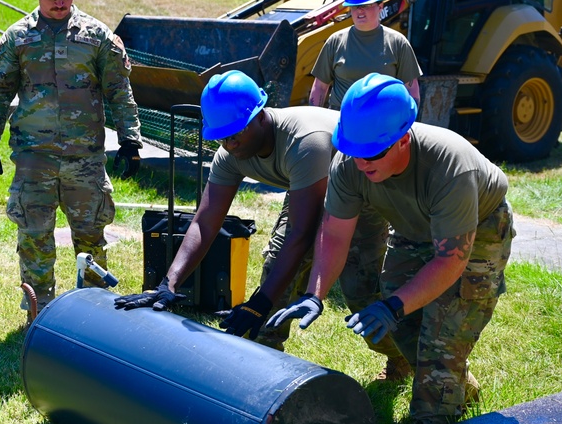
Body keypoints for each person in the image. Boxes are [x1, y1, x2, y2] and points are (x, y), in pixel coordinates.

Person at [267, 73, 515, 424]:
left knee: (444, 329)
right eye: (354, 150)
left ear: (404, 139)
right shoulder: (350, 164)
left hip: (479, 230)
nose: (363, 163)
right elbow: (334, 234)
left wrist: (395, 306)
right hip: (416, 228)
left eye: (374, 153)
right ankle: (453, 382)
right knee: (400, 317)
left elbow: (450, 260)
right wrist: (315, 293)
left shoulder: (451, 166)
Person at [112, 71, 410, 374]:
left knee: (360, 291)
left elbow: (302, 233)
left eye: (235, 134)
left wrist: (259, 302)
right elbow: (205, 221)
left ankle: (405, 357)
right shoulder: (230, 152)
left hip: (359, 189)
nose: (229, 144)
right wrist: (168, 283)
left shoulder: (304, 141)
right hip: (306, 186)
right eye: (222, 137)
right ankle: (261, 366)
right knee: (275, 274)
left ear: (261, 117)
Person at [0, 0, 143, 317]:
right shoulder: (17, 40)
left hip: (85, 160)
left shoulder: (98, 38)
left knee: (91, 240)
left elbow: (119, 91)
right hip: (34, 161)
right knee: (34, 240)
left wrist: (130, 139)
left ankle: (96, 317)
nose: (60, 2)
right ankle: (40, 317)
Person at [309, 0, 421, 110]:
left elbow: (411, 89)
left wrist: (407, 123)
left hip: (382, 123)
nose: (360, 10)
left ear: (380, 6)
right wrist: (317, 118)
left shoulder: (398, 43)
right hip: (342, 122)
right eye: (355, 6)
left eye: (366, 5)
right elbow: (320, 86)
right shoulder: (335, 42)